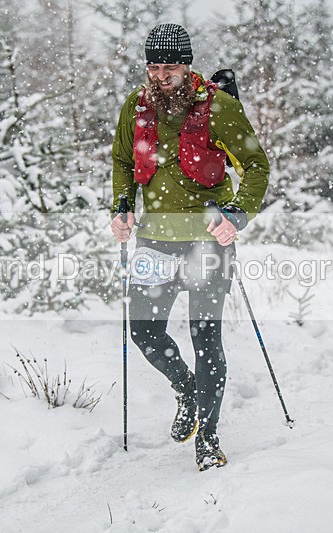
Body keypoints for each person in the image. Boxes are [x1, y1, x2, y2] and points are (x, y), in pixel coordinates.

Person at [110, 23, 269, 471]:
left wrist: (236, 215)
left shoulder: (219, 107)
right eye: (154, 67)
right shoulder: (136, 107)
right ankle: (186, 388)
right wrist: (121, 206)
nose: (162, 76)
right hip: (155, 241)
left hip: (206, 243)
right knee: (144, 331)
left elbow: (256, 166)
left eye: (171, 67)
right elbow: (123, 160)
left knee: (206, 337)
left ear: (188, 65)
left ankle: (209, 438)